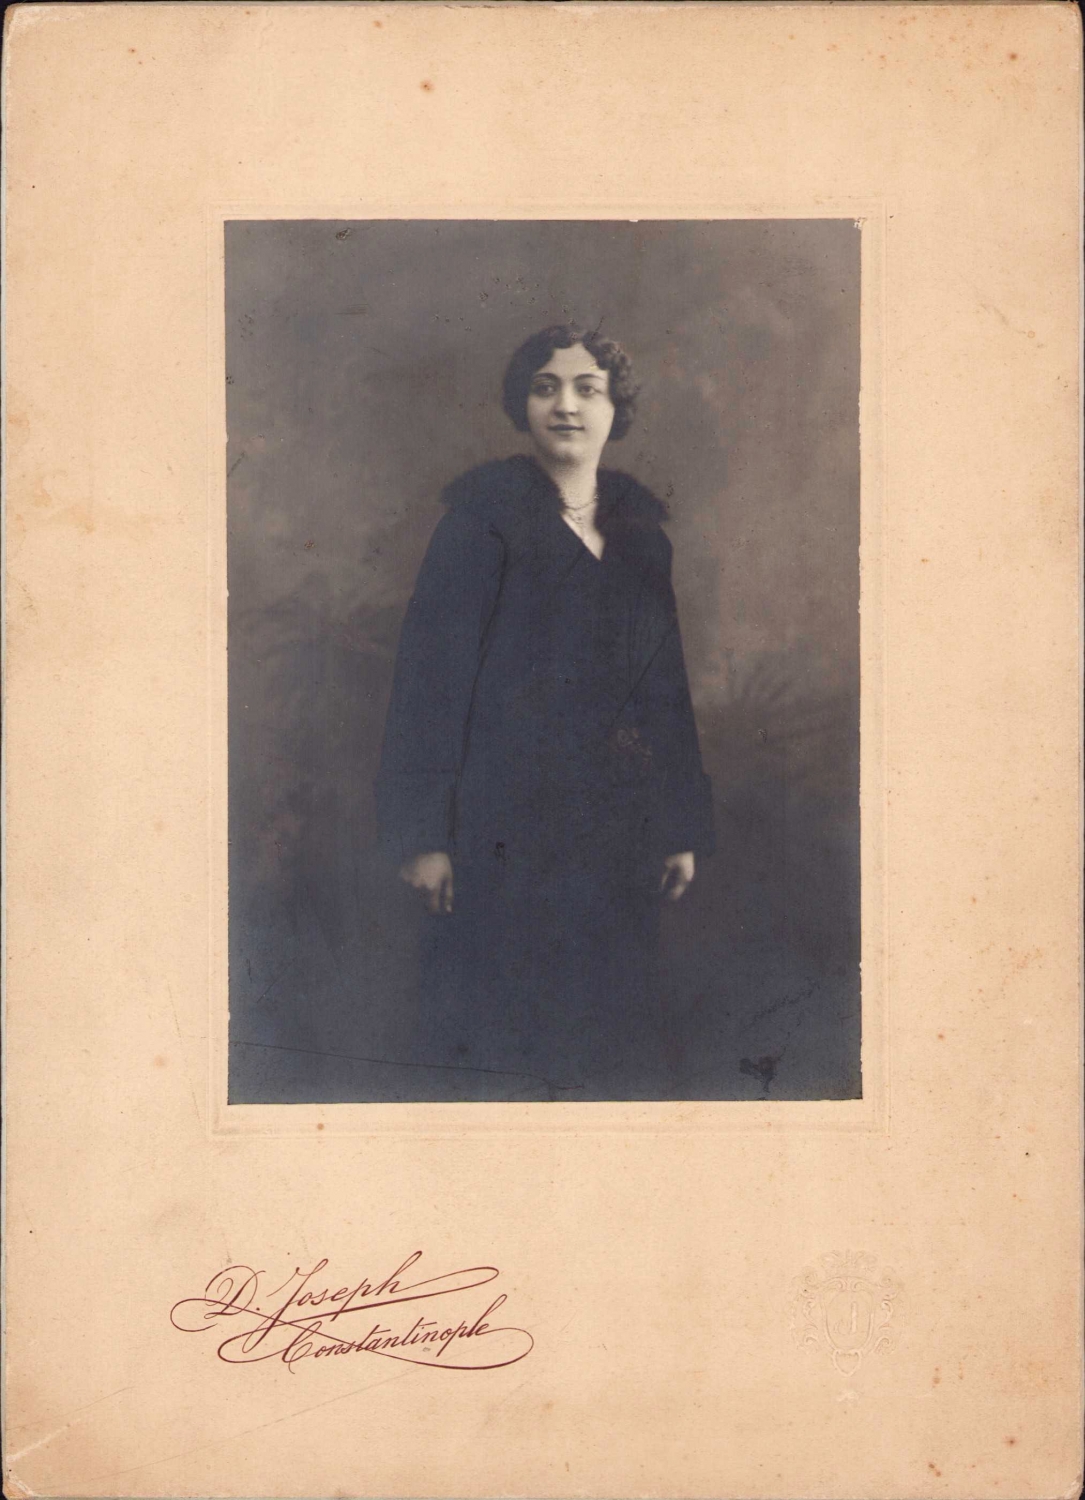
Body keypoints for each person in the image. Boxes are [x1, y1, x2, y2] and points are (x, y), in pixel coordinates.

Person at [375, 325, 713, 1099]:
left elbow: (664, 692)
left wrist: (677, 825)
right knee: (501, 1037)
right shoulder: (478, 526)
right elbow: (428, 686)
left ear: (614, 407)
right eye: (544, 387)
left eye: (587, 389)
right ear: (521, 405)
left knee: (608, 1038)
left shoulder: (640, 540)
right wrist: (424, 836)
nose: (565, 406)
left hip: (616, 830)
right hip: (498, 831)